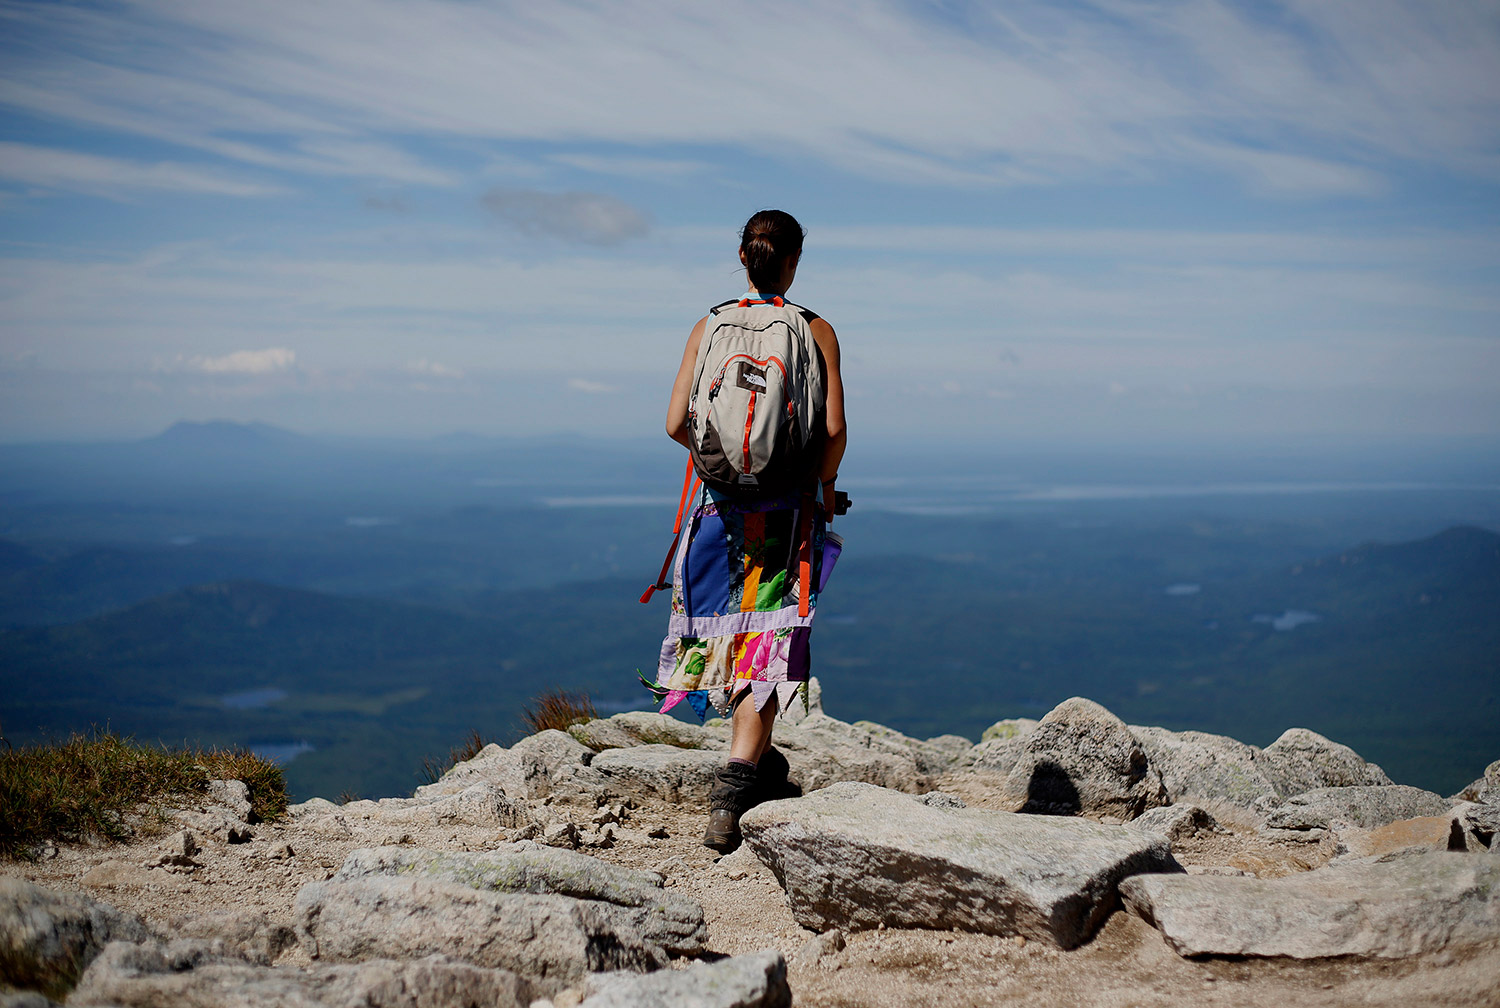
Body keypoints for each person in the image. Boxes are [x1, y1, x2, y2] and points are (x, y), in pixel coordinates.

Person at [650, 209, 846, 852]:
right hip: (783, 518)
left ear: (741, 257)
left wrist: (723, 467)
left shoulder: (707, 325)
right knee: (764, 636)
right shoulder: (815, 330)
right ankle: (735, 786)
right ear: (792, 261)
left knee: (727, 636)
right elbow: (834, 431)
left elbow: (676, 421)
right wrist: (821, 489)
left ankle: (759, 769)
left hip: (717, 512)